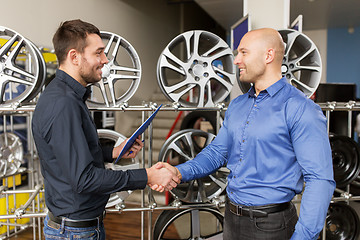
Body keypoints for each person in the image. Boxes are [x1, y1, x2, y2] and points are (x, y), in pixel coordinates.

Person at [153, 28, 335, 240]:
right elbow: (217, 152)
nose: (236, 60)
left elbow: (320, 180)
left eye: (243, 53)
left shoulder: (300, 109)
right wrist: (178, 172)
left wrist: (303, 237)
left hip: (271, 224)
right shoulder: (238, 105)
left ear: (268, 55)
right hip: (231, 219)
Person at [32, 19, 179, 240]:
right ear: (74, 57)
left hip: (78, 228)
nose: (105, 60)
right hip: (75, 232)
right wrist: (147, 176)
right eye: (98, 53)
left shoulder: (68, 96)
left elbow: (69, 157)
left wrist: (113, 152)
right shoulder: (63, 104)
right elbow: (84, 179)